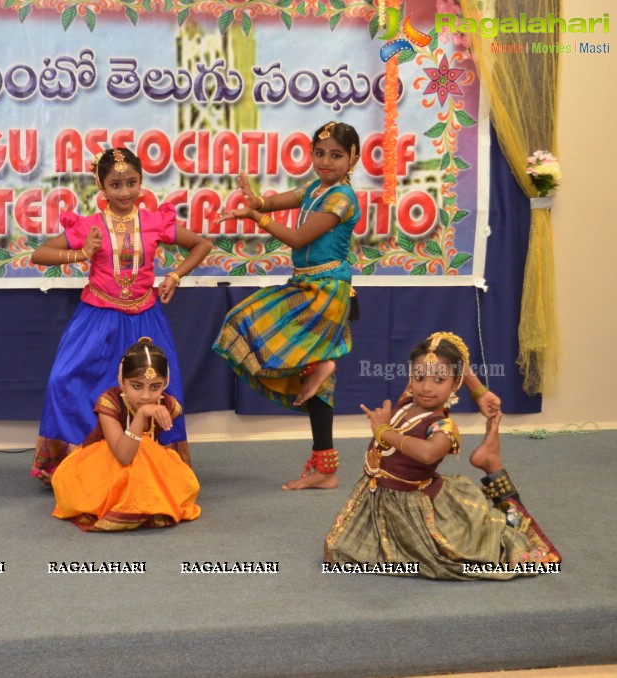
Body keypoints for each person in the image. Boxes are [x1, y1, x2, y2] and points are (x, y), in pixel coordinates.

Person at [30, 147, 212, 484]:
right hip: (96, 319)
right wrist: (82, 253)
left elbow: (202, 245)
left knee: (155, 388)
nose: (125, 192)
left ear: (141, 182)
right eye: (115, 185)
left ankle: (152, 464)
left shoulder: (155, 221)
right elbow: (40, 254)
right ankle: (78, 465)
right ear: (102, 187)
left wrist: (174, 276)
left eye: (131, 182)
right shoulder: (91, 226)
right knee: (64, 381)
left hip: (145, 318)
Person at [324, 332, 560, 579]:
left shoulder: (443, 428)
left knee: (451, 557)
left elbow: (427, 454)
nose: (426, 387)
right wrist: (479, 391)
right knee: (338, 552)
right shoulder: (408, 400)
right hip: (377, 495)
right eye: (419, 377)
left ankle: (492, 461)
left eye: (439, 379)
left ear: (454, 383)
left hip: (411, 505)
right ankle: (490, 456)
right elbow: (449, 344)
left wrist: (383, 430)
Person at [212, 121, 362, 491]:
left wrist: (256, 218)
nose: (326, 162)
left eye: (337, 155)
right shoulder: (315, 187)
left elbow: (297, 236)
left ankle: (324, 360)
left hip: (326, 292)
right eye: (319, 153)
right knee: (316, 385)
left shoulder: (341, 198)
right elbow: (278, 201)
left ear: (353, 158)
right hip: (307, 283)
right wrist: (256, 201)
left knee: (243, 318)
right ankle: (325, 467)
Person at [51, 338, 201, 531]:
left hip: (144, 459)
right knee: (137, 455)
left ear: (166, 383)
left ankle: (145, 503)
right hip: (104, 461)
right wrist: (141, 415)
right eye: (137, 386)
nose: (146, 396)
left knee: (156, 460)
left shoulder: (168, 406)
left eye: (155, 386)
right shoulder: (108, 402)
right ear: (122, 381)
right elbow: (123, 455)